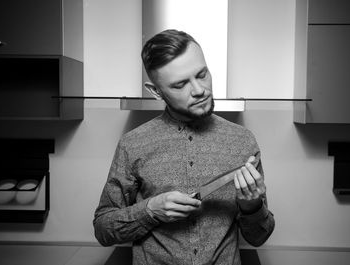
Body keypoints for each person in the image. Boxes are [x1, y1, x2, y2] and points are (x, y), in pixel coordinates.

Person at [93, 29, 275, 265]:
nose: (199, 90)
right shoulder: (133, 144)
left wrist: (252, 207)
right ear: (156, 91)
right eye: (180, 85)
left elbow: (259, 237)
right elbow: (103, 229)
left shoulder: (243, 141)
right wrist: (149, 210)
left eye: (202, 74)